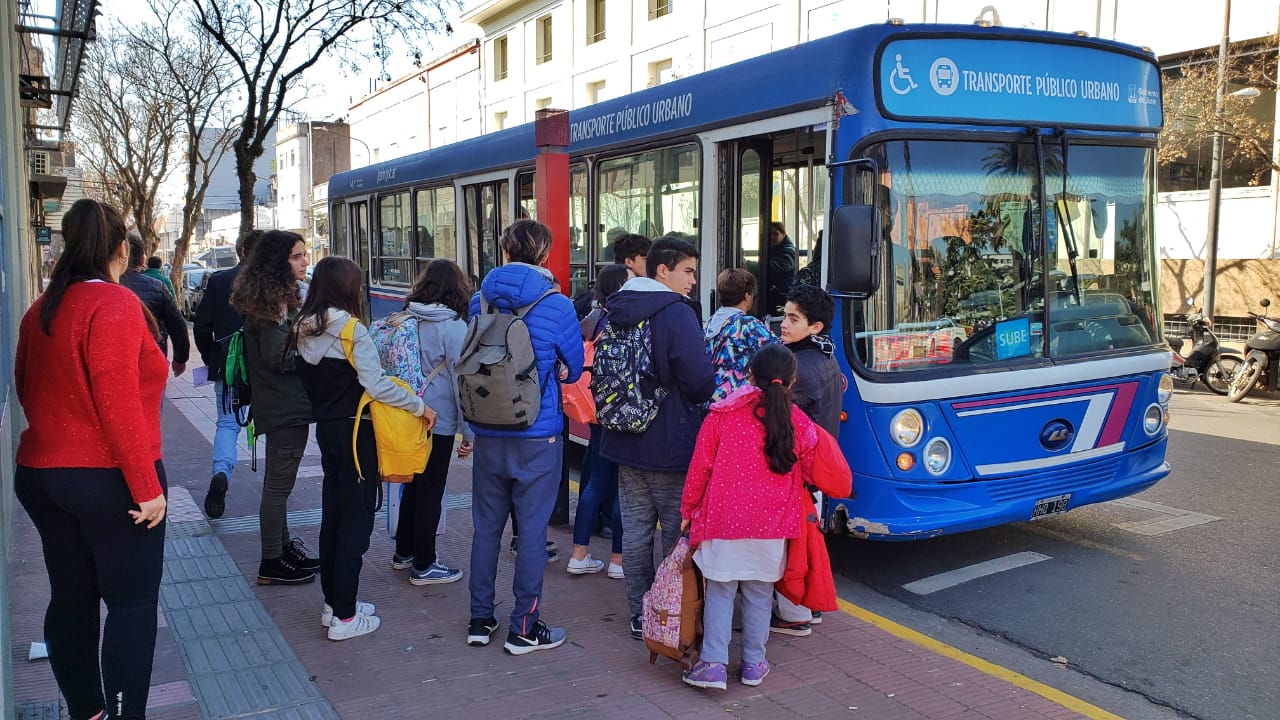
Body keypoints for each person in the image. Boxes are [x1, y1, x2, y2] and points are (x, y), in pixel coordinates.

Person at [14, 198, 169, 720]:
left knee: (71, 597)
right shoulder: (116, 304)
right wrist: (147, 488)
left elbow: (24, 387)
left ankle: (88, 710)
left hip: (41, 475)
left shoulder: (41, 309)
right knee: (130, 603)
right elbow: (119, 404)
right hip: (111, 478)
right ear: (121, 249)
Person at [293, 257, 436, 641]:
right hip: (357, 433)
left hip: (327, 431)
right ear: (347, 287)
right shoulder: (350, 330)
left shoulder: (304, 328)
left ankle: (335, 603)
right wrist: (421, 407)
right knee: (357, 520)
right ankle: (344, 617)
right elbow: (377, 385)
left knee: (334, 516)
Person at [464, 219, 583, 655]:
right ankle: (524, 627)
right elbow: (572, 362)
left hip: (489, 428)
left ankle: (479, 620)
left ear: (504, 251)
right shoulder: (557, 303)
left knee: (485, 530)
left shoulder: (481, 299)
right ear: (544, 254)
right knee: (531, 534)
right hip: (538, 434)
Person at [679, 344, 820, 690]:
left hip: (723, 522)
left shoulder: (722, 415)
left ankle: (713, 663)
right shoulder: (798, 422)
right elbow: (811, 467)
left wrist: (688, 510)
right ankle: (754, 663)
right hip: (772, 526)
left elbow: (700, 468)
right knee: (759, 594)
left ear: (750, 376)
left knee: (720, 591)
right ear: (791, 381)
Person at [599, 235, 716, 640]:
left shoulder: (616, 307)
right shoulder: (676, 313)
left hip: (624, 438)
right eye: (687, 271)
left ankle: (638, 613)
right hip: (670, 444)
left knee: (634, 534)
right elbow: (700, 382)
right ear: (662, 270)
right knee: (677, 536)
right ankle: (670, 611)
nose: (692, 282)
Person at [229, 230, 319, 586]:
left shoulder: (270, 298)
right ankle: (272, 560)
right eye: (297, 256)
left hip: (280, 403)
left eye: (304, 255)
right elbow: (279, 357)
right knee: (279, 486)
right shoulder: (272, 305)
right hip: (284, 405)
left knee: (277, 483)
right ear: (278, 262)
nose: (304, 262)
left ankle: (281, 548)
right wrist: (314, 353)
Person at [389, 259, 474, 586]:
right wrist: (469, 431)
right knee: (431, 492)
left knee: (413, 486)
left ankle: (404, 551)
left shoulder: (406, 316)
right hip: (436, 420)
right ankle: (424, 563)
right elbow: (460, 382)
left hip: (406, 415)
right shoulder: (453, 326)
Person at [771, 284, 843, 635]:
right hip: (816, 471)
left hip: (796, 472)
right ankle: (807, 607)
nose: (783, 324)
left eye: (792, 318)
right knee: (809, 542)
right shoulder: (825, 356)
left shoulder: (796, 368)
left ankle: (794, 614)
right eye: (784, 315)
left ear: (815, 326)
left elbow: (782, 423)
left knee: (793, 548)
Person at [566, 264, 631, 578]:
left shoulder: (593, 321)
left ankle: (579, 554)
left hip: (593, 411)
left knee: (594, 483)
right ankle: (618, 560)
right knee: (622, 487)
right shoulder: (626, 321)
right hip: (620, 413)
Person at [194, 229, 262, 518]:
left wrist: (213, 357)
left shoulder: (220, 280)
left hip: (229, 364)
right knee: (274, 425)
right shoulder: (272, 283)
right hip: (265, 368)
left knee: (227, 424)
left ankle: (221, 473)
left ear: (241, 250)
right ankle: (276, 487)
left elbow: (201, 325)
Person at [120, 233, 189, 378]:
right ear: (142, 259)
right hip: (152, 360)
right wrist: (180, 359)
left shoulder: (104, 286)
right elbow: (178, 326)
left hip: (118, 365)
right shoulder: (159, 286)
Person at [704, 268, 775, 402]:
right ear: (748, 296)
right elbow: (777, 354)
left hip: (710, 397)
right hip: (736, 399)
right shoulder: (747, 324)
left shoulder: (709, 323)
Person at [573, 232, 652, 318]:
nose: (651, 263)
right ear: (629, 262)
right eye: (645, 259)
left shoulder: (591, 296)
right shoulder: (633, 300)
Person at [765, 221, 797, 315]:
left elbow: (778, 267)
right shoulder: (773, 248)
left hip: (783, 293)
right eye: (769, 234)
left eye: (775, 234)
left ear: (783, 234)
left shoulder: (788, 251)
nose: (772, 237)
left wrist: (754, 265)